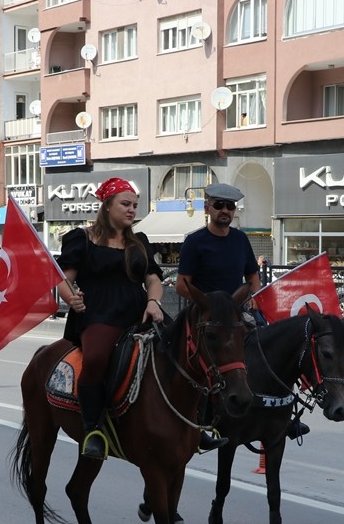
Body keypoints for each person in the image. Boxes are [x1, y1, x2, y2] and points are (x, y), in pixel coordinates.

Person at [55, 176, 165, 459]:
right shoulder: (82, 238)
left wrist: (154, 301)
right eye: (125, 204)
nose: (132, 210)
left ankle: (198, 422)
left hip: (139, 310)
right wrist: (71, 298)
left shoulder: (140, 241)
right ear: (107, 206)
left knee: (186, 345)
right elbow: (63, 279)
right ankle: (93, 428)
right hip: (99, 313)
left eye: (135, 205)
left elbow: (153, 278)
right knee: (95, 359)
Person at [175, 183, 264, 449]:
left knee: (265, 343)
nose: (225, 210)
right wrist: (209, 302)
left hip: (236, 312)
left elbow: (252, 276)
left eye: (230, 206)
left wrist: (254, 296)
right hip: (205, 315)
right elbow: (181, 285)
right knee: (200, 361)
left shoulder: (240, 240)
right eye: (219, 205)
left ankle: (278, 413)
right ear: (208, 208)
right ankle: (200, 423)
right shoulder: (195, 241)